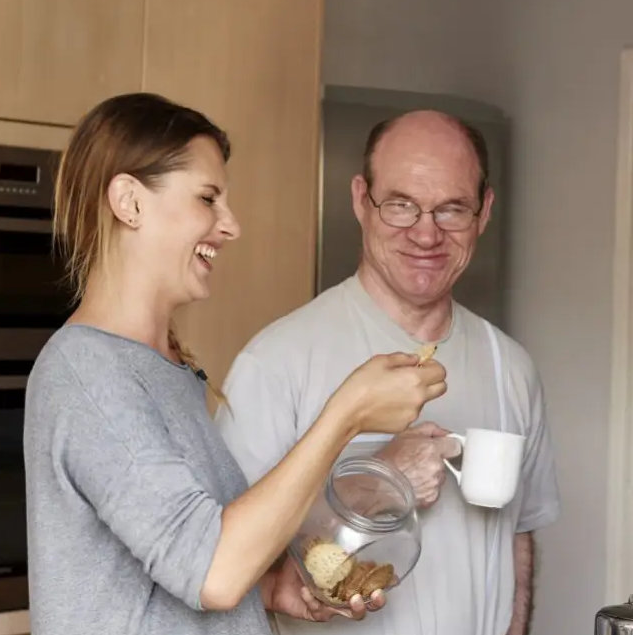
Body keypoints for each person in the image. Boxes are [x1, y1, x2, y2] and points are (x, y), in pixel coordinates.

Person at [22, 93, 448, 635]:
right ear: (129, 202)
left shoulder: (166, 369)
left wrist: (271, 588)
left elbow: (173, 565)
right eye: (208, 198)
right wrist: (348, 415)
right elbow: (213, 572)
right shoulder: (88, 373)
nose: (231, 226)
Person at [216, 109, 561, 635]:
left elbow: (517, 533)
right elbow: (223, 567)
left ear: (484, 211)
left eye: (452, 209)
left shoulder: (510, 365)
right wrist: (379, 481)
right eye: (401, 205)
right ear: (361, 199)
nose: (426, 234)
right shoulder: (276, 363)